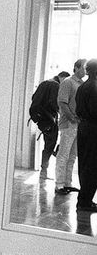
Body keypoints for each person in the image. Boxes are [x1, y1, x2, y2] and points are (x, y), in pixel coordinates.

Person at [29, 71, 70, 181]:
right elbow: (54, 102)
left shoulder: (44, 83)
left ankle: (45, 169)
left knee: (49, 144)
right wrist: (62, 113)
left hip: (41, 119)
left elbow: (34, 97)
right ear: (62, 77)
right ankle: (44, 171)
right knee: (50, 145)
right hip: (49, 119)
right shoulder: (55, 85)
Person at [55, 58, 87, 195]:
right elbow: (62, 102)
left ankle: (67, 183)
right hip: (69, 124)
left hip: (78, 124)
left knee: (73, 155)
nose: (85, 71)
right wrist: (72, 118)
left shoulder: (82, 84)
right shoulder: (68, 82)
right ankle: (59, 184)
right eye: (84, 67)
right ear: (77, 67)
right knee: (63, 154)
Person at [75, 58, 97, 212]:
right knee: (92, 165)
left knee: (84, 164)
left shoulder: (83, 86)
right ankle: (85, 201)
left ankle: (84, 199)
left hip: (83, 127)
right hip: (93, 129)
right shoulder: (94, 87)